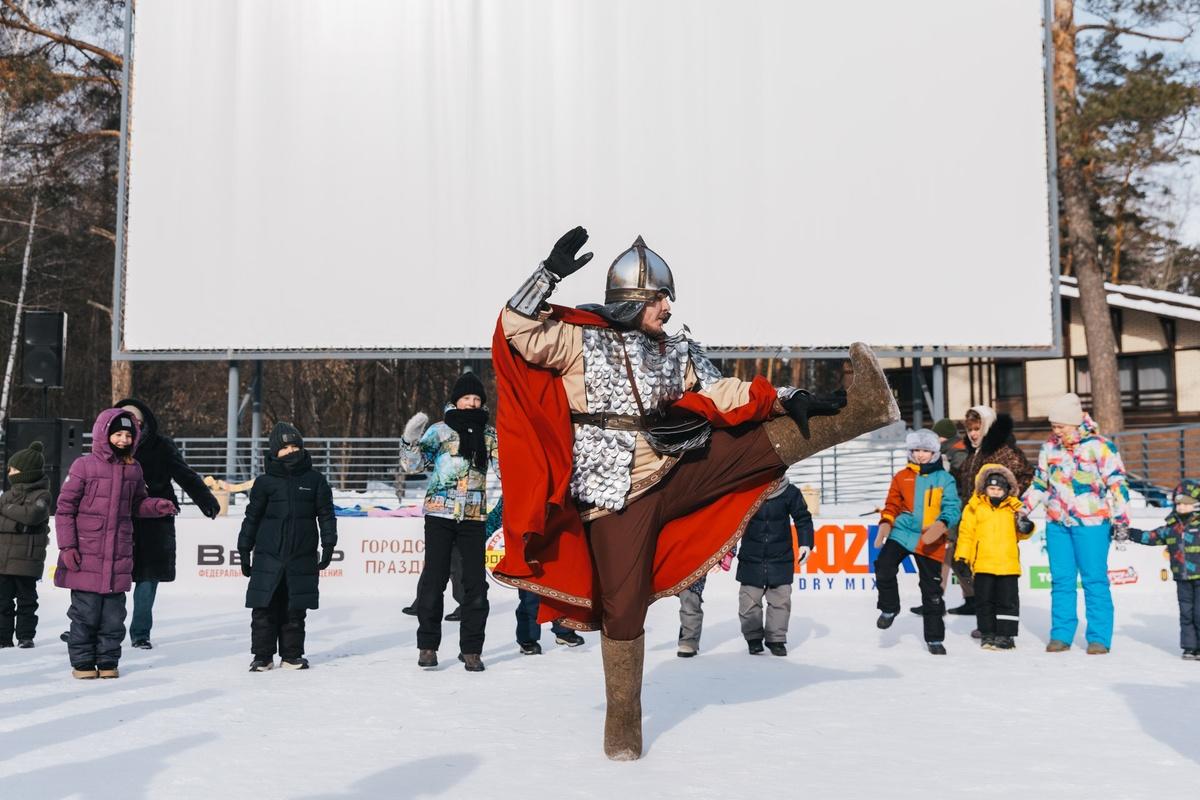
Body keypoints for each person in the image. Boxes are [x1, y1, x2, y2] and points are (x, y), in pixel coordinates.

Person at [492, 227, 896, 759]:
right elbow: (516, 329)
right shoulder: (577, 339)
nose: (668, 306)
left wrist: (785, 395)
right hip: (614, 495)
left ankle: (860, 412)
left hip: (673, 466)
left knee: (753, 444)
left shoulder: (676, 347)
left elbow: (719, 392)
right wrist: (547, 274)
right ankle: (623, 720)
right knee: (623, 607)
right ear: (634, 300)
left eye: (667, 298)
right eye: (659, 297)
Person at [55, 410, 176, 679]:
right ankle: (83, 663)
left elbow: (136, 504)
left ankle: (108, 661)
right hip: (86, 553)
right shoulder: (83, 466)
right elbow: (64, 509)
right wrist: (68, 546)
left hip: (118, 555)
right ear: (104, 434)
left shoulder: (133, 469)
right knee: (85, 613)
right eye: (118, 434)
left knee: (113, 616)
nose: (123, 440)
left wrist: (156, 506)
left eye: (128, 435)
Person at [400, 372, 500, 672]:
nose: (472, 403)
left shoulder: (489, 434)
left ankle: (471, 649)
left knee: (475, 586)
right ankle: (428, 646)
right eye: (466, 398)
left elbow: (506, 469)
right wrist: (410, 440)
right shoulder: (439, 431)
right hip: (439, 515)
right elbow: (412, 466)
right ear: (456, 400)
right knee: (434, 581)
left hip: (473, 516)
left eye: (477, 399)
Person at [1021, 393, 1130, 655]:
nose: (1056, 431)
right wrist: (1022, 509)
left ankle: (1099, 638)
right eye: (1053, 426)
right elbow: (1040, 483)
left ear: (1074, 422)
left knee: (1094, 580)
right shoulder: (1049, 448)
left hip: (1092, 523)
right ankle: (1061, 634)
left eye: (1060, 426)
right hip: (1057, 522)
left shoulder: (1100, 447)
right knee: (1062, 581)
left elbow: (1117, 484)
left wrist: (1121, 520)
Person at [116, 398, 221, 650]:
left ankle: (140, 633)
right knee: (111, 577)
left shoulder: (161, 446)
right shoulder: (111, 448)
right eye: (125, 421)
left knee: (148, 577)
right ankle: (102, 628)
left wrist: (205, 500)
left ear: (144, 422)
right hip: (119, 519)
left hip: (155, 520)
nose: (131, 427)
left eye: (136, 421)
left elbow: (184, 474)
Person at [238, 422, 337, 672]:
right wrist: (244, 549)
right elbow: (252, 517)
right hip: (268, 555)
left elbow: (326, 515)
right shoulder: (265, 482)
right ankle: (262, 656)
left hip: (301, 555)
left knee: (295, 609)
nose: (291, 451)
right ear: (275, 451)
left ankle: (292, 655)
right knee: (264, 608)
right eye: (285, 447)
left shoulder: (315, 480)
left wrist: (328, 544)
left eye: (295, 446)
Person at [873, 428, 962, 655]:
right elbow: (892, 504)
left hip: (931, 538)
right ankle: (889, 608)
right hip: (903, 532)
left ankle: (934, 638)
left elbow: (953, 507)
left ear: (934, 452)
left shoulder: (944, 478)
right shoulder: (902, 476)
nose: (920, 454)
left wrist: (941, 525)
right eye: (916, 450)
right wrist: (886, 523)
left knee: (932, 591)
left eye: (925, 450)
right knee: (883, 565)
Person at [942, 407, 1033, 618]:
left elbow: (1026, 474)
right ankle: (975, 602)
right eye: (970, 430)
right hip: (973, 516)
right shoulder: (975, 452)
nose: (973, 434)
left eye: (977, 429)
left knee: (992, 570)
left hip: (996, 521)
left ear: (988, 427)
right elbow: (964, 479)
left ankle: (995, 616)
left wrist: (1008, 500)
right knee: (963, 561)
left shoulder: (1001, 450)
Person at [954, 464, 1035, 650]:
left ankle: (1006, 635)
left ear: (1007, 489)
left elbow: (1021, 533)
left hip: (1008, 565)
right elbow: (966, 534)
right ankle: (987, 633)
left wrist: (1027, 528)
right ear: (984, 488)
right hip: (983, 564)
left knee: (1008, 602)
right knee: (984, 602)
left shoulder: (1014, 508)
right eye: (992, 488)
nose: (996, 492)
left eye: (1000, 489)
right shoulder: (974, 508)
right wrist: (962, 557)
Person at [736, 480, 812, 657]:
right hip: (751, 556)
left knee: (780, 600)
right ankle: (753, 638)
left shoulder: (790, 492)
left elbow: (803, 518)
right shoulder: (747, 490)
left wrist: (806, 543)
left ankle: (776, 639)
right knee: (749, 600)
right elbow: (730, 520)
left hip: (780, 556)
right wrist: (724, 550)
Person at [1126, 480, 1200, 660]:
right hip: (1182, 577)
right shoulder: (1172, 527)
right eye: (1178, 503)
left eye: (1186, 503)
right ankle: (1190, 647)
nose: (1181, 507)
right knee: (1186, 613)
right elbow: (1151, 537)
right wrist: (1129, 533)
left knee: (1199, 613)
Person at [0, 442, 52, 648]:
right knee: (2, 601)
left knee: (26, 601)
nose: (9, 473)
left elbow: (32, 516)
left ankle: (25, 636)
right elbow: (22, 520)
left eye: (13, 469)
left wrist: (6, 510)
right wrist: (18, 525)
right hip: (3, 559)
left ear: (26, 471)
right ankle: (3, 638)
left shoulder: (42, 495)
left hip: (27, 560)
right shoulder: (7, 495)